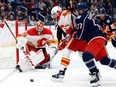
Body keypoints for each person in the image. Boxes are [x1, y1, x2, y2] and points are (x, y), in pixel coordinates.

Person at [73, 2, 116, 86]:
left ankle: (95, 75)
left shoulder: (82, 17)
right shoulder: (90, 15)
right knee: (104, 60)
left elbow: (81, 34)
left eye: (79, 10)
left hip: (95, 39)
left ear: (82, 10)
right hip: (100, 39)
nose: (77, 12)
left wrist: (75, 35)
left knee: (86, 56)